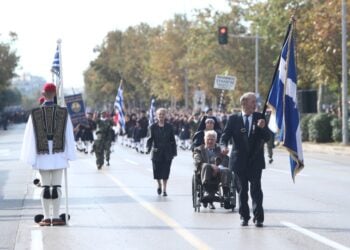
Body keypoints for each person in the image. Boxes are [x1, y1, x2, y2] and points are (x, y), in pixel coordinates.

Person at [20, 83, 76, 226]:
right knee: (56, 186)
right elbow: (69, 135)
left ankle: (46, 217)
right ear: (55, 94)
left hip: (42, 154)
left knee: (45, 187)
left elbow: (30, 137)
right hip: (59, 153)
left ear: (43, 94)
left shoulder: (35, 113)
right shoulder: (64, 113)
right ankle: (56, 216)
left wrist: (31, 156)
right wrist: (70, 154)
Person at [220, 92, 270, 227]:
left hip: (255, 161)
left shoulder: (260, 117)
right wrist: (223, 147)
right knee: (242, 191)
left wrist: (263, 127)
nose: (255, 104)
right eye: (253, 102)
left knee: (256, 190)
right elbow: (224, 137)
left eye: (256, 102)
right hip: (238, 162)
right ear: (244, 103)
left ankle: (258, 218)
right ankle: (244, 216)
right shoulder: (233, 119)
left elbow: (268, 137)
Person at [193, 130, 232, 209]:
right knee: (206, 166)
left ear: (215, 140)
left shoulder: (220, 149)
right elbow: (197, 162)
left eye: (212, 139)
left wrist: (218, 167)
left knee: (226, 170)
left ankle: (225, 194)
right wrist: (211, 166)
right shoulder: (199, 149)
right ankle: (208, 192)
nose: (210, 141)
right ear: (204, 140)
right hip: (204, 174)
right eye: (208, 139)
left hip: (218, 173)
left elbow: (226, 160)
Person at [146, 108, 177, 197]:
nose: (161, 116)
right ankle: (159, 184)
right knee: (157, 171)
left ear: (165, 115)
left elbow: (173, 140)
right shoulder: (152, 127)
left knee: (166, 171)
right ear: (157, 116)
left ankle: (164, 189)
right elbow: (150, 139)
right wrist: (148, 148)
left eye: (163, 114)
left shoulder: (169, 127)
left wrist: (174, 152)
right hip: (156, 152)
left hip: (167, 152)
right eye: (159, 114)